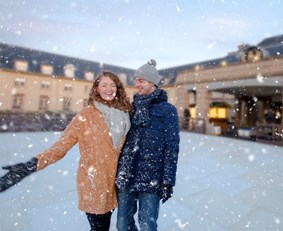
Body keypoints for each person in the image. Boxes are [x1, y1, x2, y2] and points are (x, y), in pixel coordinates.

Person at [0, 71, 131, 231]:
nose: (109, 89)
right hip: (93, 183)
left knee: (105, 226)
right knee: (99, 228)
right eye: (104, 85)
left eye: (112, 85)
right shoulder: (84, 116)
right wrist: (31, 165)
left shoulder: (125, 116)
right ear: (96, 89)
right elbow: (61, 147)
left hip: (114, 185)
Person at [116, 59, 180, 231]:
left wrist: (168, 180)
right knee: (122, 224)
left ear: (152, 83)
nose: (137, 84)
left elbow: (172, 148)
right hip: (127, 172)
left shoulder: (168, 111)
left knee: (147, 225)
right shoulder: (130, 108)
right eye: (136, 80)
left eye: (141, 81)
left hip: (152, 174)